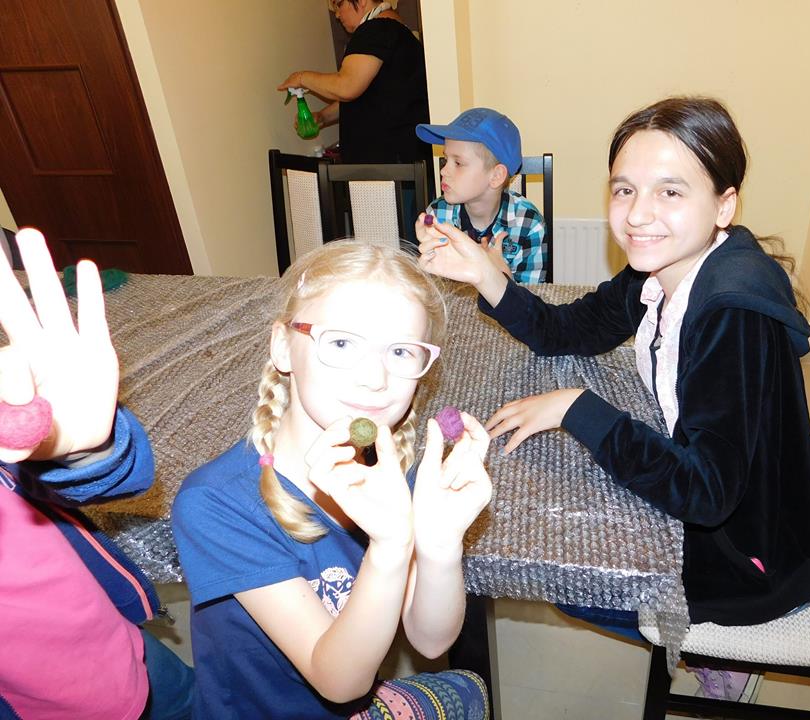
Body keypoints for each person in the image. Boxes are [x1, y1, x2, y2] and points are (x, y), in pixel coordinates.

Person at [416, 97, 810, 702]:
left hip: (762, 547)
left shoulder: (731, 314)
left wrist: (577, 408)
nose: (639, 215)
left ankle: (712, 648)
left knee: (573, 575)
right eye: (624, 190)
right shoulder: (660, 269)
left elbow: (706, 494)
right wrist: (487, 276)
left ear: (724, 204)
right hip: (743, 486)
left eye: (670, 192)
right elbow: (566, 331)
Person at [172, 241, 492, 719]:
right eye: (342, 343)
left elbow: (430, 641)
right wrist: (390, 547)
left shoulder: (391, 470)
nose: (374, 378)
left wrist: (440, 546)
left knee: (470, 687)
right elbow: (339, 683)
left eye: (400, 351)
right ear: (283, 346)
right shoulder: (216, 503)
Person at [0, 228, 194, 719]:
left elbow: (126, 477)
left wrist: (80, 450)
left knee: (193, 703)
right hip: (36, 705)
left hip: (124, 648)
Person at [277, 0, 431, 168]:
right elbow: (367, 95)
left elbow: (347, 86)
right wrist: (323, 117)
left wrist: (302, 77)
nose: (337, 14)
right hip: (403, 160)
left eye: (339, 4)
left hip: (388, 165)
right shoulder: (396, 32)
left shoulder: (376, 29)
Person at [416, 107, 549, 284]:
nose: (443, 170)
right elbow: (434, 293)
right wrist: (426, 270)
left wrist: (502, 278)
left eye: (458, 163)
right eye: (446, 159)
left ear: (496, 176)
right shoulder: (437, 215)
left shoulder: (529, 224)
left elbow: (532, 298)